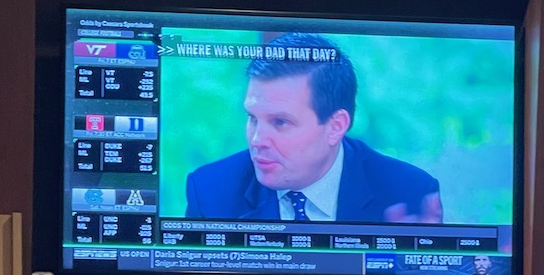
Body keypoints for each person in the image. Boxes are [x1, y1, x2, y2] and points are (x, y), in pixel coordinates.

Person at [184, 33, 444, 224]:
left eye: (280, 122)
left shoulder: (407, 193)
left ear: (335, 126)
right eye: (252, 118)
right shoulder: (211, 192)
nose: (257, 140)